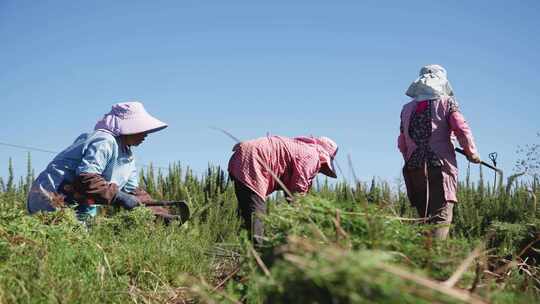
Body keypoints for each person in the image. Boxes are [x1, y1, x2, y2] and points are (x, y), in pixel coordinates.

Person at [27, 101, 167, 219]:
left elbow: (133, 192)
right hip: (51, 196)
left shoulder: (127, 156)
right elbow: (86, 179)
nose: (146, 134)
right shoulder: (104, 141)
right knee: (59, 239)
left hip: (80, 202)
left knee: (80, 243)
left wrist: (159, 213)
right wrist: (119, 197)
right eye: (142, 129)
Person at [398, 64, 480, 240]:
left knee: (424, 217)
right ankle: (434, 261)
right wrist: (471, 153)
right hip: (439, 167)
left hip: (414, 167)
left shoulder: (406, 109)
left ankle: (420, 259)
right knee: (440, 216)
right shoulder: (447, 103)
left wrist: (412, 158)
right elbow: (461, 129)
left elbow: (402, 143)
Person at [228, 135, 338, 244]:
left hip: (240, 158)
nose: (320, 170)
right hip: (254, 160)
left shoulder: (301, 148)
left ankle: (249, 252)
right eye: (324, 166)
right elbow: (297, 191)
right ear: (324, 155)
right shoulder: (312, 155)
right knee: (257, 215)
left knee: (248, 214)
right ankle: (259, 256)